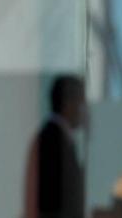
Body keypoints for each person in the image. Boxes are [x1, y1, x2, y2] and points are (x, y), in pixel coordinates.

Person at [23, 75, 87, 218]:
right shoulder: (52, 139)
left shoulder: (58, 138)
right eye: (82, 102)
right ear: (69, 103)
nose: (85, 111)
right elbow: (51, 199)